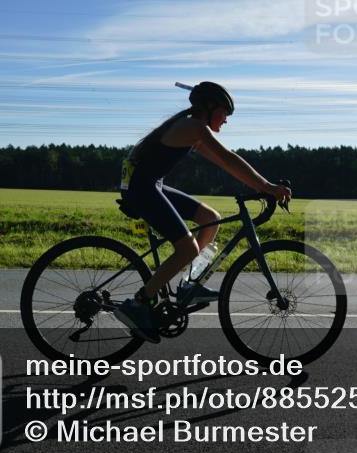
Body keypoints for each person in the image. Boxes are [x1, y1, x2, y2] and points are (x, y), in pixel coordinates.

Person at [114, 81, 292, 343]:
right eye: (224, 114)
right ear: (209, 108)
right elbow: (229, 159)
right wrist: (266, 186)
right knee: (187, 249)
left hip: (149, 185)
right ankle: (138, 303)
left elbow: (225, 163)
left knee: (211, 218)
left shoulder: (192, 128)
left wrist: (262, 186)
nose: (226, 121)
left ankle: (190, 283)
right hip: (143, 189)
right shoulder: (193, 127)